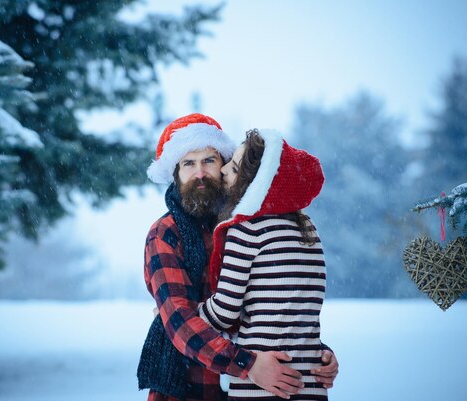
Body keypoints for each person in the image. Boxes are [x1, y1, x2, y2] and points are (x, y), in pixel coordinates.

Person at [137, 114, 338, 401]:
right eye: (188, 163)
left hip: (255, 388)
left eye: (209, 160)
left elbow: (272, 303)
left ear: (224, 165)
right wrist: (249, 365)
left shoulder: (244, 226)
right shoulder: (165, 234)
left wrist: (312, 355)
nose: (200, 173)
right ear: (175, 174)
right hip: (190, 388)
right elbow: (180, 322)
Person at [199, 128, 333, 400]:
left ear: (253, 184)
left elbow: (225, 311)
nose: (224, 170)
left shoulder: (247, 228)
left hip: (261, 384)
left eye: (234, 169)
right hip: (310, 381)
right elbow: (298, 308)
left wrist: (189, 316)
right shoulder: (307, 227)